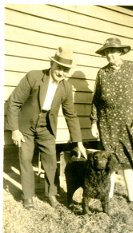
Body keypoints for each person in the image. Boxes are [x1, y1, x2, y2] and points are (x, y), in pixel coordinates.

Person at [6, 45, 87, 209]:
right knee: (25, 159)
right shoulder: (33, 77)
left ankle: (51, 195)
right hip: (25, 126)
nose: (61, 73)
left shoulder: (65, 87)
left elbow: (71, 115)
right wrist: (14, 129)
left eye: (66, 70)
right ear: (53, 64)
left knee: (50, 161)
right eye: (59, 68)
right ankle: (27, 196)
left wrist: (79, 143)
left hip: (47, 127)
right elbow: (14, 102)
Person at [90, 37, 133, 205]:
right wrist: (94, 121)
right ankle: (108, 194)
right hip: (107, 122)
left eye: (112, 52)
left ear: (120, 52)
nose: (109, 55)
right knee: (109, 158)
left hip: (128, 122)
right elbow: (96, 100)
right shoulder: (102, 73)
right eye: (107, 52)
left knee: (128, 159)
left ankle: (131, 195)